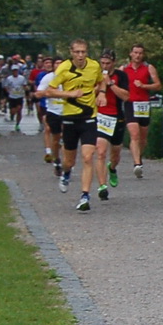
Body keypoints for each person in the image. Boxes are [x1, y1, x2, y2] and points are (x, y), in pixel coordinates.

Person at [45, 40, 105, 211]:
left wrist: (101, 93)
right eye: (77, 52)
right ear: (71, 52)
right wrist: (68, 93)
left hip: (89, 117)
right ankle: (66, 173)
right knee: (69, 161)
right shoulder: (64, 68)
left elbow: (102, 81)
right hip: (70, 118)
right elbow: (50, 91)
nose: (80, 56)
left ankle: (85, 195)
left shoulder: (94, 66)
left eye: (83, 52)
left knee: (87, 157)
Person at [120, 43, 163, 177]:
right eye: (135, 53)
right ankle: (137, 163)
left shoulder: (148, 68)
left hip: (144, 104)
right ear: (130, 54)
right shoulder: (123, 69)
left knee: (143, 138)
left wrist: (144, 85)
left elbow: (158, 85)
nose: (138, 55)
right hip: (130, 103)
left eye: (140, 53)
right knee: (134, 135)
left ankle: (139, 158)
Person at [94, 49, 129, 196]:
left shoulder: (121, 76)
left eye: (108, 63)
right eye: (102, 63)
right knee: (100, 152)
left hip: (117, 117)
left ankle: (112, 168)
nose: (105, 66)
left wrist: (111, 85)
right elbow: (88, 93)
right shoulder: (95, 74)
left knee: (115, 154)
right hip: (100, 116)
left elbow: (126, 96)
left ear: (113, 63)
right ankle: (102, 186)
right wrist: (99, 87)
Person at [0, 61, 30, 133]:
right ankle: (12, 115)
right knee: (13, 111)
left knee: (19, 110)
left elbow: (24, 86)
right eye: (13, 71)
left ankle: (17, 124)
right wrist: (8, 91)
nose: (15, 72)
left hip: (19, 96)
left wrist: (27, 92)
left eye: (16, 70)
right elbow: (6, 86)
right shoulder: (9, 78)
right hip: (12, 97)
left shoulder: (22, 78)